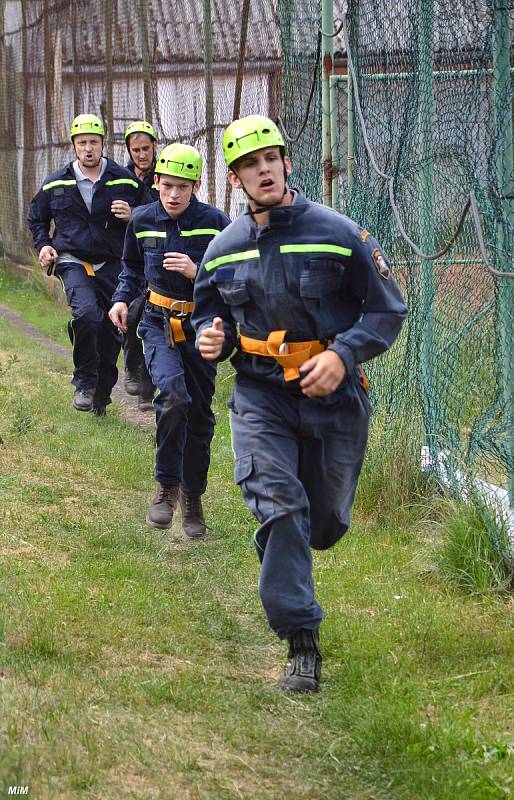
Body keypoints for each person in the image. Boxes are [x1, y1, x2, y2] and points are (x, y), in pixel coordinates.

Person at [192, 115, 408, 692]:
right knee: (282, 507)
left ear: (287, 163)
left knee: (324, 523)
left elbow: (388, 308)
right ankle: (301, 641)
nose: (262, 170)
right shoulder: (222, 250)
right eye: (247, 164)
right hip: (261, 396)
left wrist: (345, 354)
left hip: (334, 400)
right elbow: (208, 316)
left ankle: (282, 536)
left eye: (270, 159)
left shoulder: (339, 232)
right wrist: (212, 337)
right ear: (235, 178)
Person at [109, 143, 231, 538]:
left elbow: (232, 278)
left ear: (196, 185)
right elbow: (129, 267)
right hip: (158, 323)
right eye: (166, 185)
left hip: (201, 326)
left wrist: (198, 271)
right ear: (156, 182)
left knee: (199, 414)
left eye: (182, 186)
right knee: (173, 396)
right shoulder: (142, 219)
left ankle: (193, 498)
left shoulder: (217, 223)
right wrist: (121, 301)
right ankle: (166, 487)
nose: (173, 194)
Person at [27, 113, 151, 415]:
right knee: (86, 314)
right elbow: (37, 218)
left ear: (103, 144)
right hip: (72, 260)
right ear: (73, 145)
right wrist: (44, 245)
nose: (88, 148)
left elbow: (152, 211)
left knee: (110, 329)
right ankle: (83, 381)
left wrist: (133, 213)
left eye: (93, 142)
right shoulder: (55, 184)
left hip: (112, 262)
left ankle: (101, 395)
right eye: (82, 143)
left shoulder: (124, 179)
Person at [122, 120, 160, 410]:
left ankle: (149, 388)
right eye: (136, 150)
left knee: (153, 316)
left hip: (159, 254)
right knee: (133, 313)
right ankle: (132, 366)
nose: (141, 154)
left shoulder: (166, 176)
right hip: (130, 255)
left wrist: (133, 213)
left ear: (154, 147)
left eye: (146, 148)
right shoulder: (120, 179)